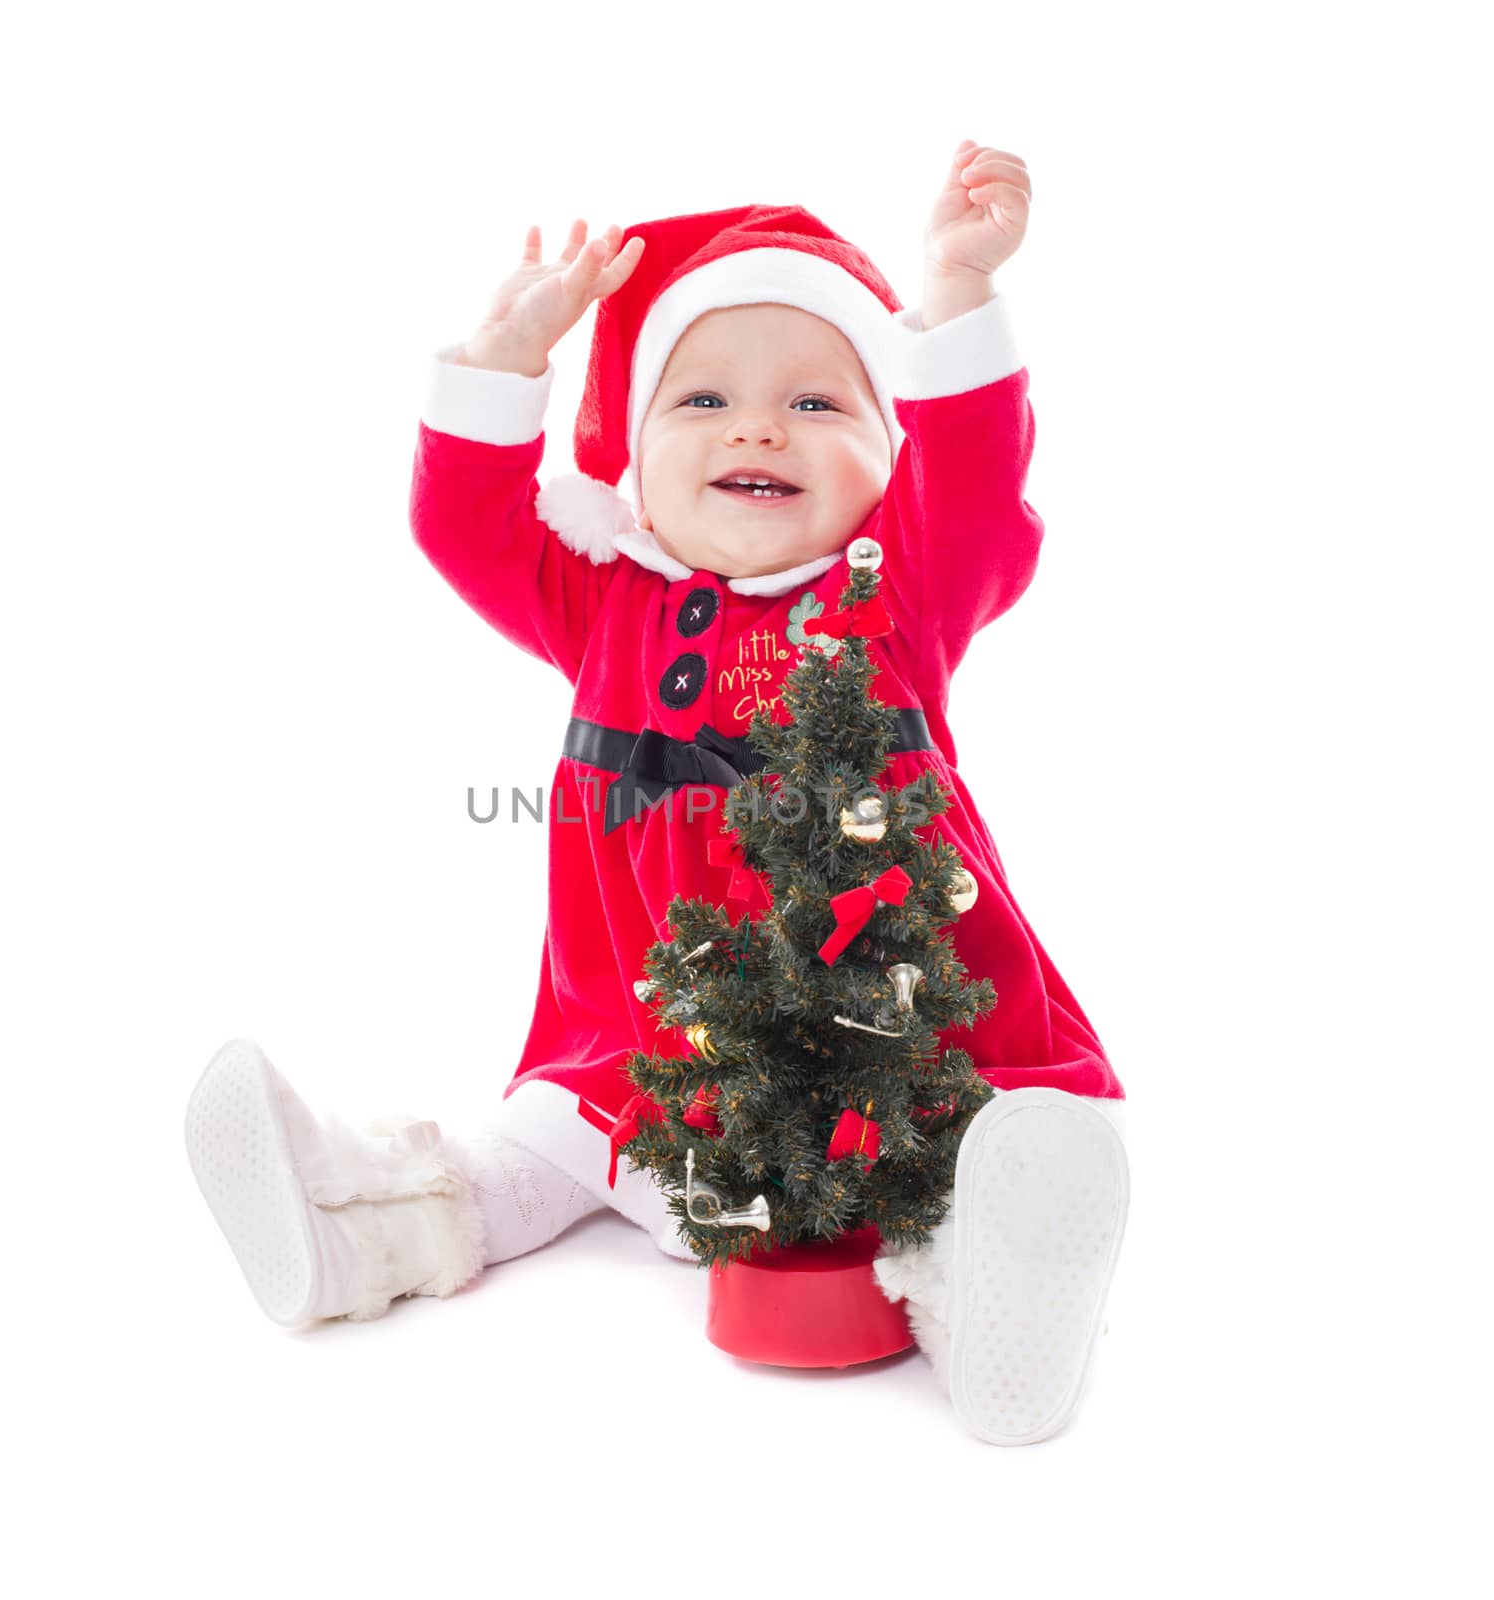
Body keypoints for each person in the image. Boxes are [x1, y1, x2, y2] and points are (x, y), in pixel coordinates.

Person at [185, 141, 1130, 1446]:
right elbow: (464, 529)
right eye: (700, 404)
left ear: (885, 457)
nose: (755, 427)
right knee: (532, 1157)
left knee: (928, 1177)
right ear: (631, 471)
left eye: (816, 404)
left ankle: (1000, 1302)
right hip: (643, 1045)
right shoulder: (608, 602)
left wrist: (958, 294)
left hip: (879, 1033)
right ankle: (358, 1224)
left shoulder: (893, 595)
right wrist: (505, 363)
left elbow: (971, 487)